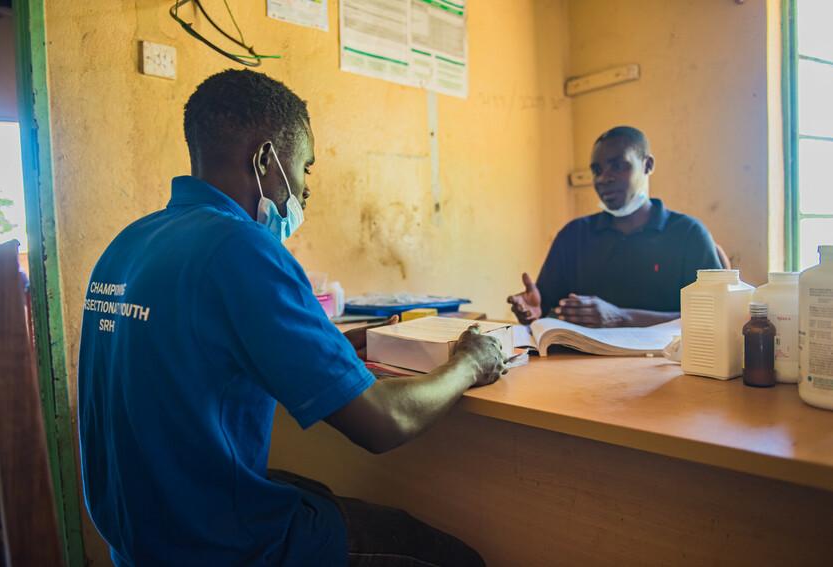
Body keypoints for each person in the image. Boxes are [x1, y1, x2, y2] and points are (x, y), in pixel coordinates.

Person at [78, 69, 506, 567]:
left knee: (315, 490)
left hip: (143, 540)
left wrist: (340, 343)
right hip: (223, 549)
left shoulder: (129, 242)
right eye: (305, 167)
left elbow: (203, 349)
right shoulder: (240, 246)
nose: (305, 192)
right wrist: (471, 363)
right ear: (265, 160)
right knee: (456, 559)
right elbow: (384, 423)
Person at [508, 126, 722, 328]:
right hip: (581, 364)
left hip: (665, 364)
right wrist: (536, 310)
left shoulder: (687, 234)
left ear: (647, 165)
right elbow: (544, 307)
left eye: (618, 166)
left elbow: (715, 316)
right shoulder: (574, 235)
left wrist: (622, 317)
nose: (603, 178)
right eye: (596, 170)